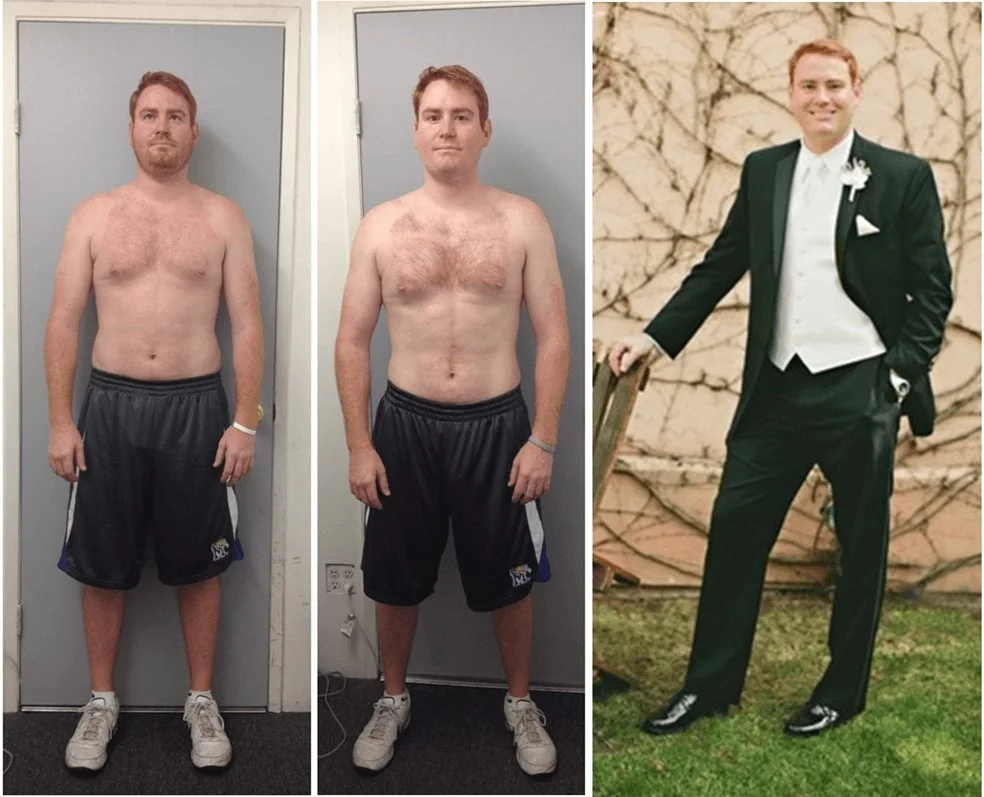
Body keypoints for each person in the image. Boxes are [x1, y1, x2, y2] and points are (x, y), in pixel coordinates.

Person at [609, 39, 952, 738]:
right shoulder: (764, 170)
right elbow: (721, 264)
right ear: (790, 93)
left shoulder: (901, 175)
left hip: (859, 385)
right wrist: (653, 337)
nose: (821, 97)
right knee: (734, 531)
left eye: (834, 84)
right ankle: (707, 687)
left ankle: (840, 691)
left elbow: (932, 291)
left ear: (855, 90)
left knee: (861, 546)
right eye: (808, 86)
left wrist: (895, 374)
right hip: (775, 387)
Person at [335, 64, 570, 776]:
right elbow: (350, 338)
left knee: (512, 579)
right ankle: (393, 697)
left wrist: (544, 438)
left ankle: (521, 702)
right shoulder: (381, 224)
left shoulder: (521, 218)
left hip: (499, 429)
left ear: (484, 129)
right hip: (403, 426)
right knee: (394, 576)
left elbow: (555, 334)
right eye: (433, 115)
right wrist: (358, 445)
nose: (447, 127)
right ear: (415, 131)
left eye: (462, 115)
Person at [45, 71, 263, 771]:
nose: (162, 127)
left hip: (198, 409)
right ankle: (101, 700)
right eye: (149, 115)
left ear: (193, 131)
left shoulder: (224, 216)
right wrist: (59, 421)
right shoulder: (94, 215)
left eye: (175, 116)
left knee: (201, 565)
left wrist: (245, 423)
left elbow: (249, 324)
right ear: (131, 127)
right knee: (103, 564)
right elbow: (63, 322)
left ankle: (200, 698)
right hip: (108, 408)